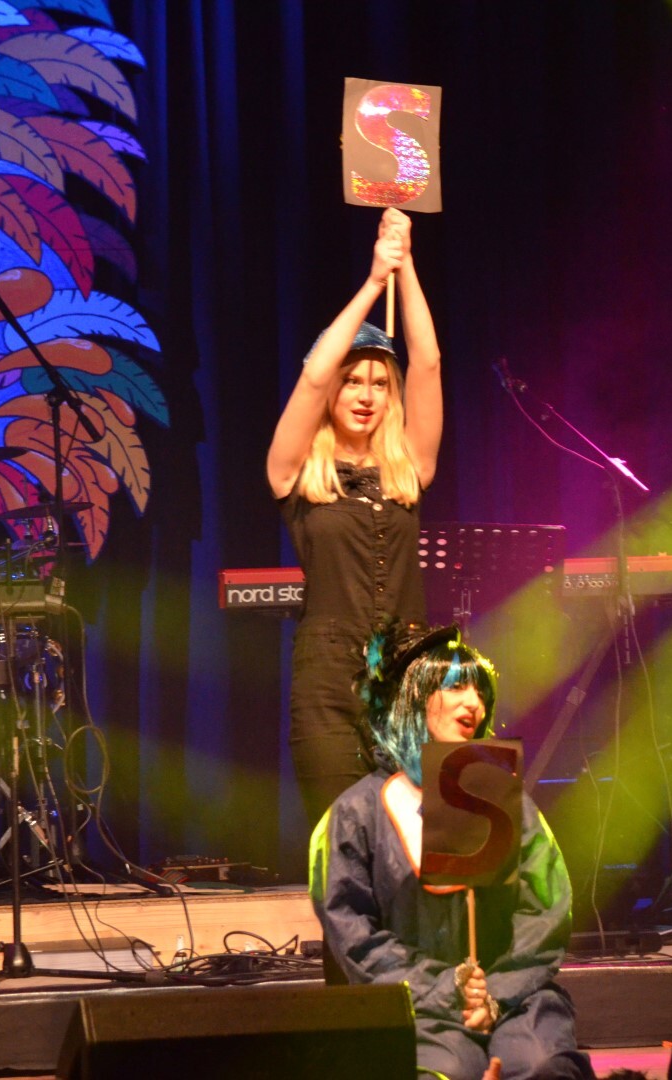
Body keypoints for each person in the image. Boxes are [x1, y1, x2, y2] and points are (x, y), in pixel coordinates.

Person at [310, 626, 593, 1080]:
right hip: (417, 1005)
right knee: (447, 1072)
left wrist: (494, 994)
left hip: (516, 999)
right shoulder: (356, 814)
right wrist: (449, 991)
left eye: (481, 692)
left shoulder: (505, 801)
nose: (475, 703)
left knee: (541, 1066)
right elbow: (355, 934)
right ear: (413, 696)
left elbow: (545, 911)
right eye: (457, 686)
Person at [268, 207, 442, 824]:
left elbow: (427, 363)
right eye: (353, 382)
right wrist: (374, 280)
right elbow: (313, 376)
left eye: (379, 383)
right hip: (327, 678)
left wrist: (405, 263)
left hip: (408, 673)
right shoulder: (295, 471)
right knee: (342, 835)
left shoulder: (408, 467)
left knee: (417, 843)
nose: (366, 396)